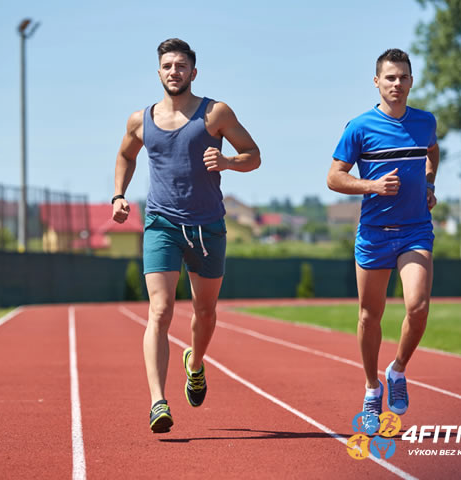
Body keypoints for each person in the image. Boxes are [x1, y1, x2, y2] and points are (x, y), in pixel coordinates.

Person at [112, 38, 261, 433]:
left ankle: (195, 364)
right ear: (158, 72)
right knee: (159, 310)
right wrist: (118, 194)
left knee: (205, 312)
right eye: (167, 66)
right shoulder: (140, 119)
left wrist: (228, 161)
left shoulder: (215, 113)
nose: (173, 71)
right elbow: (126, 154)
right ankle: (158, 402)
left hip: (207, 226)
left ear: (193, 73)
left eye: (181, 66)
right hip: (160, 223)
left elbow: (254, 155)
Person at [327, 48, 439, 416]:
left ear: (411, 81)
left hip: (415, 230)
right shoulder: (359, 127)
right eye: (390, 77)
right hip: (374, 233)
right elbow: (334, 178)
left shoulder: (425, 122)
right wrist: (372, 186)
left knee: (418, 306)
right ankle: (372, 387)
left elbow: (432, 151)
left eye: (403, 77)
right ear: (377, 82)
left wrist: (429, 183)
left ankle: (398, 369)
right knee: (368, 315)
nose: (397, 83)